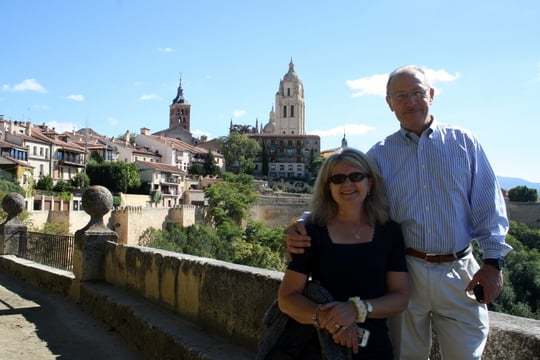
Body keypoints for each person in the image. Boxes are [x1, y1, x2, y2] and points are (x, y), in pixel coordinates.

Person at [286, 65, 512, 359]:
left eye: (417, 93)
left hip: (460, 272)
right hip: (406, 272)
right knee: (407, 356)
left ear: (431, 94)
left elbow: (488, 205)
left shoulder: (463, 143)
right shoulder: (379, 154)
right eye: (401, 95)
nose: (410, 101)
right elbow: (348, 191)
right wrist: (303, 222)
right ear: (389, 103)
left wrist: (493, 264)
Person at [277, 148, 410, 359]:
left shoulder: (389, 231)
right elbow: (287, 297)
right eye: (338, 179)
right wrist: (331, 320)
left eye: (356, 176)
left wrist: (356, 309)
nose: (347, 184)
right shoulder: (312, 231)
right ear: (328, 187)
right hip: (318, 346)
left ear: (370, 183)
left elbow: (400, 296)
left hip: (373, 347)